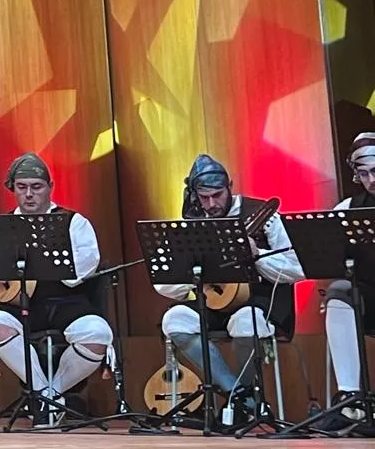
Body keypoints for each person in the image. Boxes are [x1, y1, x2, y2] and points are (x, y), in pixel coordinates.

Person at [0, 153, 111, 421]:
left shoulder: (73, 222)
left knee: (98, 335)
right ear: (13, 189)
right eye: (22, 187)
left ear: (49, 187)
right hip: (19, 305)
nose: (29, 194)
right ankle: (43, 392)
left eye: (36, 187)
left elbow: (88, 261)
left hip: (67, 303)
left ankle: (50, 395)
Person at [156, 154, 302, 418]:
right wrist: (194, 273)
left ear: (230, 187)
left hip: (261, 302)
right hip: (216, 304)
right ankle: (240, 396)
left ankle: (241, 399)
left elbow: (297, 268)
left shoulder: (263, 215)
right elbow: (165, 286)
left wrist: (255, 255)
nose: (211, 204)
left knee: (245, 322)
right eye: (204, 198)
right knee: (174, 319)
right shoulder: (194, 224)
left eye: (217, 195)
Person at [324, 133, 374, 415]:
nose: (371, 180)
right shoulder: (346, 210)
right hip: (370, 297)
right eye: (364, 174)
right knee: (339, 293)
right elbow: (328, 257)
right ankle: (350, 400)